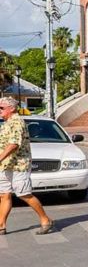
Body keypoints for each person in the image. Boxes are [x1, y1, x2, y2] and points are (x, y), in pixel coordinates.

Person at [0, 96, 54, 235]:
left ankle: (45, 219)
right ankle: (1, 225)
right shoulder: (7, 123)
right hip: (6, 166)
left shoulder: (17, 122)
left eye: (1, 108)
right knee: (4, 195)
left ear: (11, 109)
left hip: (18, 165)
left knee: (24, 194)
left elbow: (14, 144)